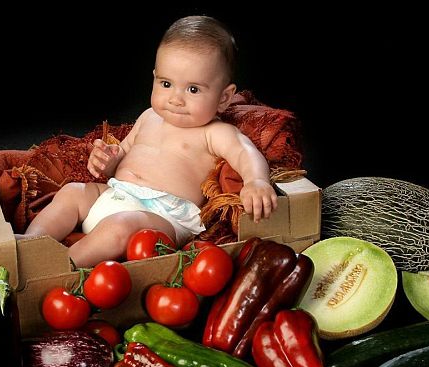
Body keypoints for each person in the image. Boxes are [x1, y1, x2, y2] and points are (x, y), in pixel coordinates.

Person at [17, 15, 278, 267]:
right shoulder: (149, 116)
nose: (176, 98)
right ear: (154, 77)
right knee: (72, 192)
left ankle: (61, 267)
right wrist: (108, 160)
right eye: (166, 84)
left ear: (224, 97)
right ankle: (31, 245)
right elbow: (123, 155)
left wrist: (256, 180)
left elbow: (245, 152)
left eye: (193, 89)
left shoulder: (213, 132)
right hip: (118, 193)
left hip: (162, 217)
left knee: (120, 226)